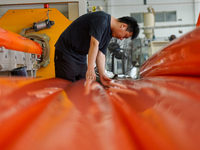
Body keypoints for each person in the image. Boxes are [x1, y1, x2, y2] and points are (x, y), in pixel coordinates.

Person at [54, 11, 139, 85]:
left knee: (82, 84)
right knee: (68, 86)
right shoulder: (102, 19)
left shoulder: (109, 33)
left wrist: (102, 75)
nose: (121, 39)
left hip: (80, 56)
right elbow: (94, 43)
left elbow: (101, 54)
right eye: (125, 36)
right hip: (67, 52)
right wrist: (90, 68)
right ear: (123, 26)